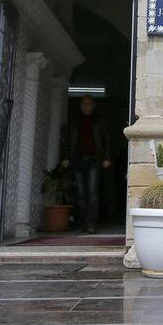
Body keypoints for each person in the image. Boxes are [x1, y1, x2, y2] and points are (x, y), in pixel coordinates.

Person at [61, 95, 111, 234]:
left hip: (95, 160)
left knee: (93, 192)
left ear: (93, 105)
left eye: (89, 103)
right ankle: (82, 222)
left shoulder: (99, 120)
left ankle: (91, 224)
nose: (86, 106)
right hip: (78, 160)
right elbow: (67, 140)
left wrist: (107, 157)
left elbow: (106, 139)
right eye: (83, 103)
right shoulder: (74, 121)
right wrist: (66, 157)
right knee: (80, 193)